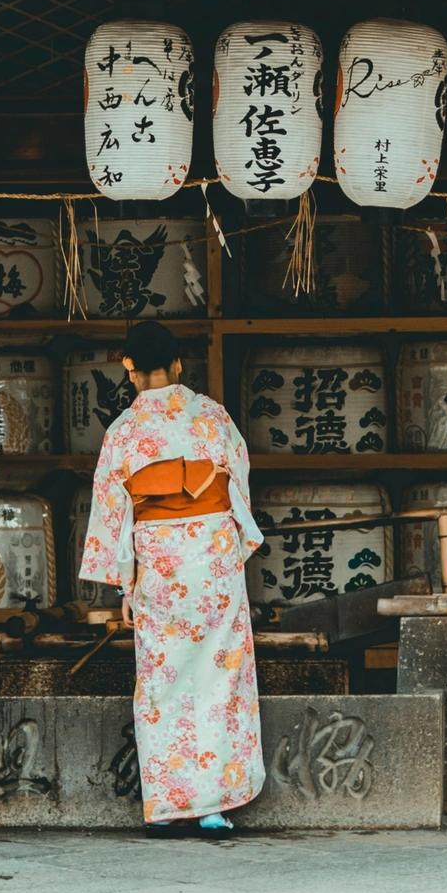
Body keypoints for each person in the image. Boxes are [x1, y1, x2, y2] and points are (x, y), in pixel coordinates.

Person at [80, 320, 265, 834]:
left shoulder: (124, 431)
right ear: (180, 364)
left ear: (130, 368)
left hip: (159, 562)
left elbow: (113, 510)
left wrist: (125, 580)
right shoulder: (213, 418)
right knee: (219, 676)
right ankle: (213, 806)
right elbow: (238, 487)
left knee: (162, 681)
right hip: (212, 558)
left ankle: (167, 806)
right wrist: (226, 544)